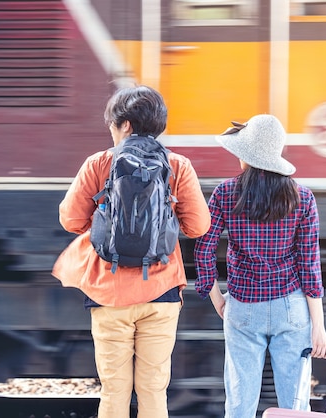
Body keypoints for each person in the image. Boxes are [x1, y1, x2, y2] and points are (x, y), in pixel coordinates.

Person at [52, 85, 211, 418]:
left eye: (112, 124)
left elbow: (70, 219)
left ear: (124, 125)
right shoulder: (178, 165)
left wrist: (105, 226)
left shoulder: (99, 163)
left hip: (108, 294)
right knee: (153, 390)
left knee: (114, 391)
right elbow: (198, 226)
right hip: (161, 293)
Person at [193, 114, 326, 418]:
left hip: (243, 307)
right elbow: (310, 265)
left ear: (246, 156)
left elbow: (203, 251)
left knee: (240, 405)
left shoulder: (225, 193)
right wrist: (319, 327)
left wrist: (218, 300)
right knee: (296, 406)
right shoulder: (302, 197)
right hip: (292, 309)